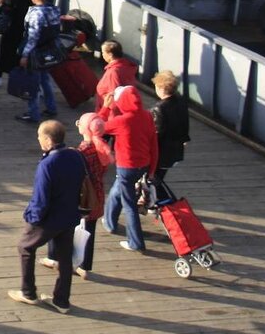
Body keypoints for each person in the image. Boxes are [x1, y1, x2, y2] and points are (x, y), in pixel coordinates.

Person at [9, 119, 86, 315]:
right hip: (69, 215)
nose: (38, 140)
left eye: (39, 137)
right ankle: (62, 301)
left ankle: (28, 292)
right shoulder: (75, 155)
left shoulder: (48, 164)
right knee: (65, 257)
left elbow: (41, 198)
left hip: (50, 218)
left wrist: (32, 218)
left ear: (47, 139)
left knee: (25, 247)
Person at [41, 113, 112, 280]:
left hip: (82, 198)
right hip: (97, 195)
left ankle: (56, 258)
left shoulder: (81, 152)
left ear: (85, 129)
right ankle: (84, 266)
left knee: (62, 225)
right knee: (89, 232)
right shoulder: (101, 148)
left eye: (80, 123)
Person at [103, 85, 158, 252]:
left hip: (126, 166)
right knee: (116, 191)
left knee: (129, 205)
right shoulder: (147, 116)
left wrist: (107, 108)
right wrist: (152, 170)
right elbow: (154, 145)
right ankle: (110, 222)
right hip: (144, 164)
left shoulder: (122, 121)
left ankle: (135, 242)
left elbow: (98, 127)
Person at [16, 0, 60, 123]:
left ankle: (33, 113)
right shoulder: (54, 9)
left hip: (35, 54)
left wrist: (25, 55)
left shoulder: (36, 14)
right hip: (48, 52)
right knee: (45, 80)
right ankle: (51, 107)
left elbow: (33, 38)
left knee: (32, 83)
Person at [151, 70, 189, 182]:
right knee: (159, 179)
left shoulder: (159, 108)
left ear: (161, 88)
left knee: (153, 181)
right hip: (175, 150)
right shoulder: (181, 102)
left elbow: (157, 133)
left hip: (161, 153)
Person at [94, 41, 138, 119]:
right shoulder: (126, 66)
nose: (102, 54)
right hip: (125, 111)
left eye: (103, 52)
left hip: (110, 115)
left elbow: (114, 97)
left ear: (110, 55)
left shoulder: (113, 72)